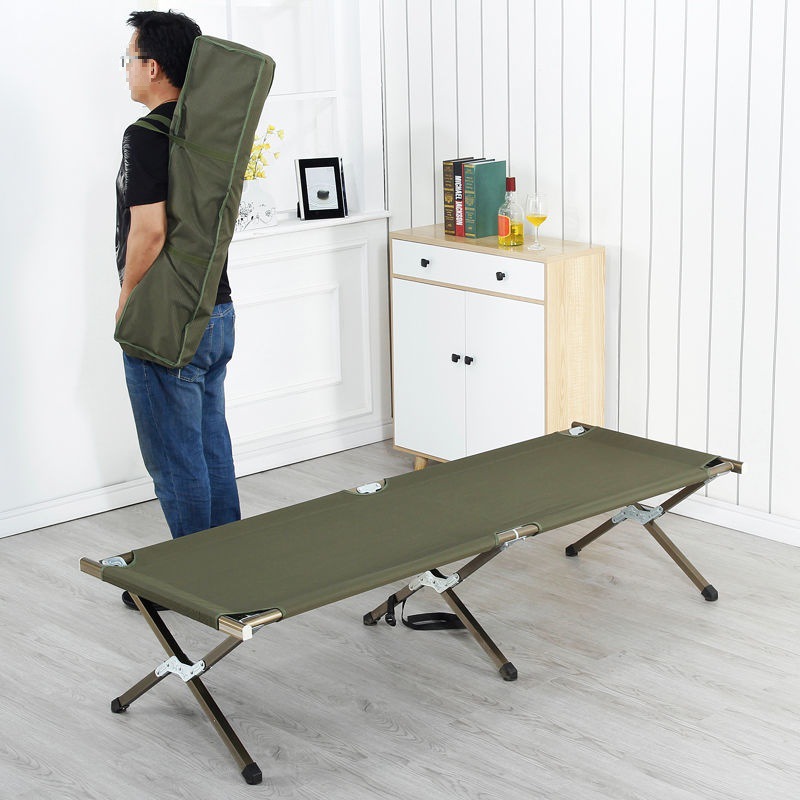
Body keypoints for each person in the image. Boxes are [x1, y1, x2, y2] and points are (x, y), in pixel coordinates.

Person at [116, 11, 241, 608]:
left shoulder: (146, 135)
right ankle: (230, 563)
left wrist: (127, 300)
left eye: (129, 58)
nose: (125, 70)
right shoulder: (209, 133)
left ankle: (194, 580)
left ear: (153, 66)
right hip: (218, 310)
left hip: (165, 318)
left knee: (175, 457)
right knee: (210, 443)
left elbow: (149, 231)